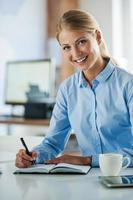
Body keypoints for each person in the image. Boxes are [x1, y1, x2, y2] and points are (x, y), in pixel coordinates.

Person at [16, 9, 133, 168]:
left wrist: (88, 160)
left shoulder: (127, 85)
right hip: (89, 181)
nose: (75, 53)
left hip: (126, 180)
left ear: (97, 37)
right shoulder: (67, 89)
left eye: (81, 42)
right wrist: (33, 156)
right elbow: (52, 143)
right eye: (66, 47)